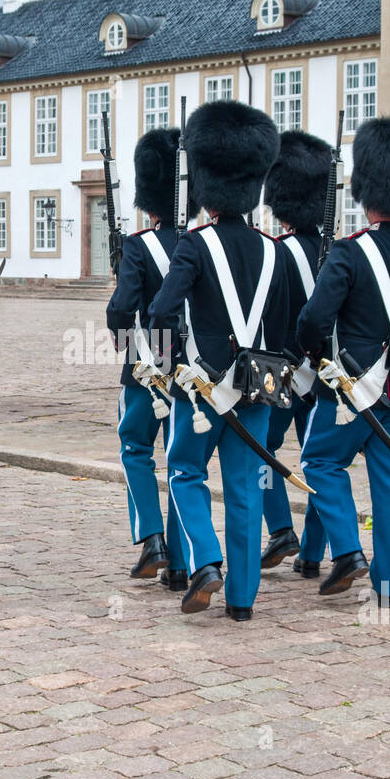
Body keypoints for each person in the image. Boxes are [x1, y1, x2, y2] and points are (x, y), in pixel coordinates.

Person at [296, 116, 390, 606]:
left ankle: (347, 551)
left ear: (368, 192)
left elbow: (316, 318)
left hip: (349, 388)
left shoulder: (349, 252)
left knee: (319, 463)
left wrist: (316, 354)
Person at [148, 100, 286, 621]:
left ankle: (206, 560)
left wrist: (169, 363)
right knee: (246, 490)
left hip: (203, 388)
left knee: (184, 471)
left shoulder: (195, 244)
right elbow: (287, 328)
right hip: (258, 389)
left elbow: (162, 309)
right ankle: (243, 601)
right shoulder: (273, 250)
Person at [106, 128, 191, 589]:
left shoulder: (139, 246)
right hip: (195, 370)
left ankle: (152, 539)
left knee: (136, 450)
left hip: (145, 364)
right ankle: (180, 563)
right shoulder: (202, 242)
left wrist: (120, 337)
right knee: (182, 462)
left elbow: (123, 308)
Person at [258, 130, 332, 579]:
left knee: (261, 453)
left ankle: (281, 528)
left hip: (282, 370)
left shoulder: (277, 252)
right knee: (320, 460)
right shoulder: (336, 250)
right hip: (323, 372)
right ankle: (313, 552)